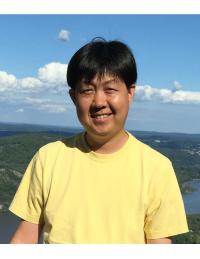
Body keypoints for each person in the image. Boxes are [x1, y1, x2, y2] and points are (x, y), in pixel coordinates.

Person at [9, 38, 188, 244]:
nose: (99, 102)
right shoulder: (48, 159)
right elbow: (24, 239)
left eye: (110, 89)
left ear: (130, 93)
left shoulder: (157, 169)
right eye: (87, 90)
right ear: (73, 97)